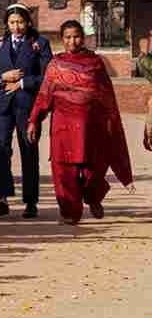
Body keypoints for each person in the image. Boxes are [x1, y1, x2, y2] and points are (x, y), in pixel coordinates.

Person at [28, 21, 131, 223]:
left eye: (76, 36)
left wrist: (110, 119)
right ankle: (70, 213)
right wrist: (34, 120)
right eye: (67, 37)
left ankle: (93, 197)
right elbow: (44, 95)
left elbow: (106, 93)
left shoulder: (95, 62)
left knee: (94, 167)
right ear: (62, 39)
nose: (72, 41)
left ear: (83, 38)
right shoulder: (55, 64)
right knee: (64, 171)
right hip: (63, 125)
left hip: (91, 125)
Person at [0, 4, 52, 217]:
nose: (17, 27)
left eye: (20, 22)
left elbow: (48, 76)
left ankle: (31, 201)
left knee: (29, 150)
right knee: (1, 149)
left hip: (28, 105)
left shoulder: (39, 44)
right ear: (7, 24)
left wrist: (22, 83)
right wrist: (2, 77)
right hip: (2, 105)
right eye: (12, 23)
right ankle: (2, 198)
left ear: (28, 22)